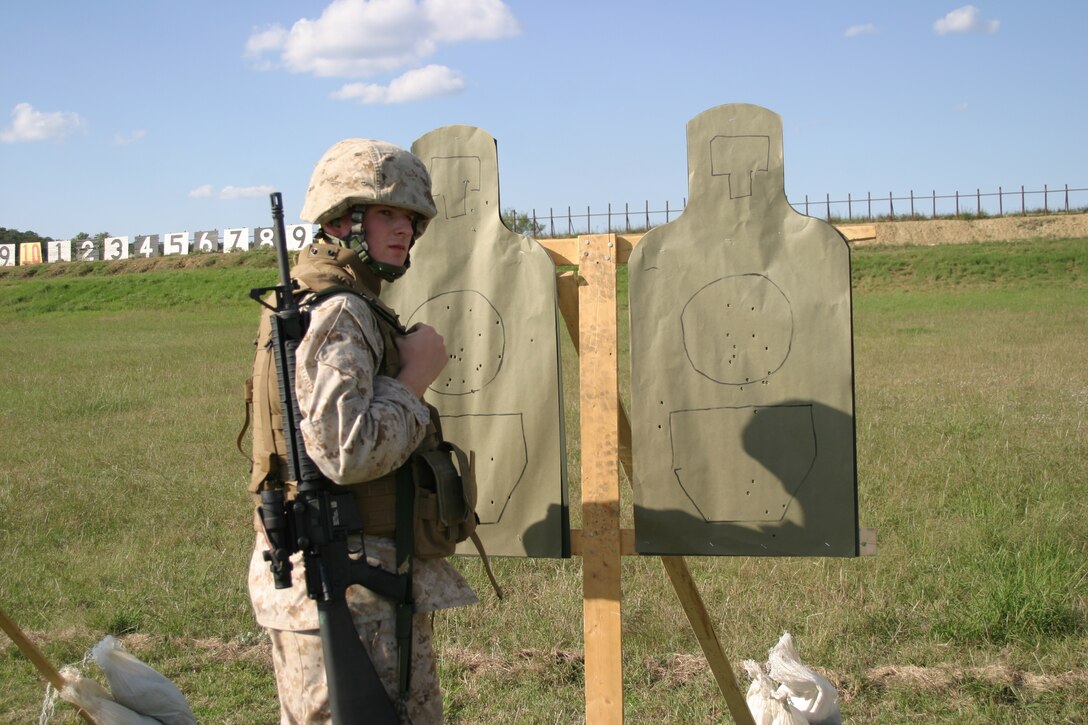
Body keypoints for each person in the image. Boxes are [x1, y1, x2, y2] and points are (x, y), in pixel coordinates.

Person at [246, 138, 477, 723]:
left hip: (332, 575)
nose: (404, 231)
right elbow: (345, 451)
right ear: (344, 222)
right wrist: (415, 378)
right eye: (386, 213)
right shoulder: (341, 310)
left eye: (410, 218)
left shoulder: (306, 300)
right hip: (351, 585)